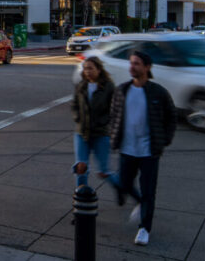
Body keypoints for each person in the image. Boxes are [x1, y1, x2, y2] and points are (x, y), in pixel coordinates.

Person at [108, 49, 176, 247]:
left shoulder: (158, 92)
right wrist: (114, 136)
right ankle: (139, 203)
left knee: (148, 192)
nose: (132, 67)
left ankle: (144, 228)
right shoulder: (122, 90)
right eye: (131, 63)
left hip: (149, 152)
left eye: (137, 63)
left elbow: (171, 117)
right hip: (127, 150)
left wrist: (164, 140)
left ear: (147, 67)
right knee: (124, 184)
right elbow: (114, 116)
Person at [71, 56, 114, 186]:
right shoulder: (81, 86)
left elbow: (115, 109)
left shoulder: (108, 87)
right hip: (82, 132)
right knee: (81, 167)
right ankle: (80, 196)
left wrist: (104, 122)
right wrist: (78, 118)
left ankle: (121, 188)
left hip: (100, 134)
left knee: (103, 172)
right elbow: (74, 105)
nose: (87, 71)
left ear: (99, 69)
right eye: (85, 69)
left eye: (90, 68)